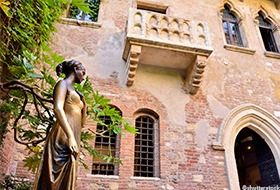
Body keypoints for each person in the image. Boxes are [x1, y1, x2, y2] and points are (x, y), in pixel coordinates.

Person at [33, 60, 87, 190]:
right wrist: (70, 136)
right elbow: (58, 108)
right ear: (75, 68)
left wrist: (83, 102)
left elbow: (82, 120)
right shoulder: (63, 84)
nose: (84, 77)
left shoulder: (78, 93)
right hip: (63, 134)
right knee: (54, 177)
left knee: (68, 175)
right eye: (83, 72)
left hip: (74, 134)